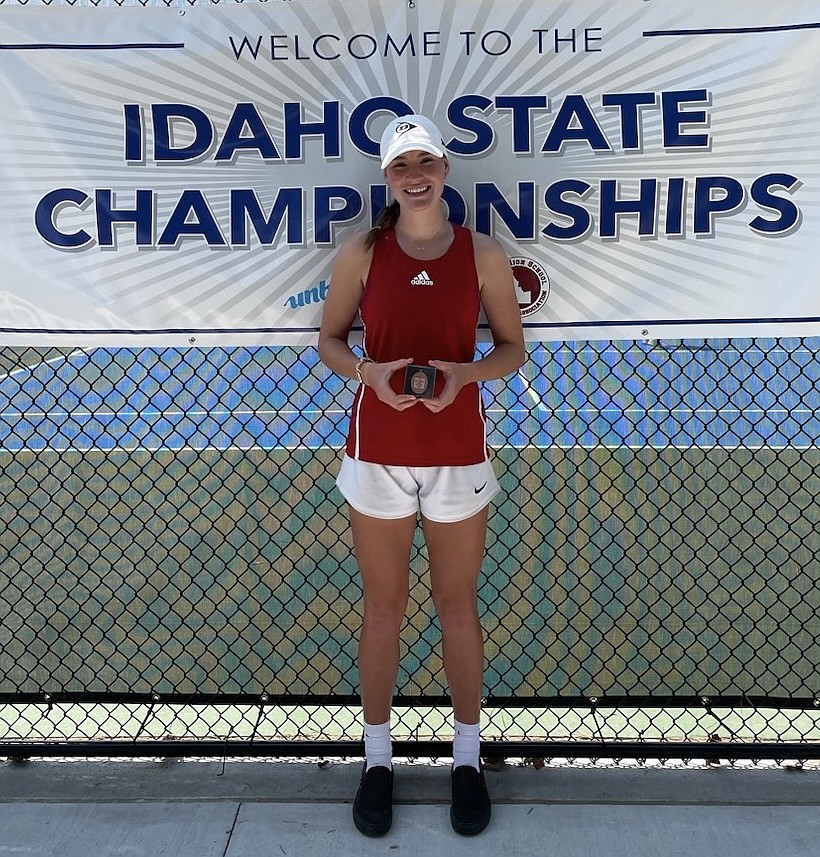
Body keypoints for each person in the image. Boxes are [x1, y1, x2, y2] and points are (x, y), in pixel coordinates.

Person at [318, 114, 525, 837]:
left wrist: (464, 373)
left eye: (426, 161)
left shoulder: (484, 254)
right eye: (401, 164)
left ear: (443, 169)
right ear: (387, 177)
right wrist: (368, 371)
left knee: (457, 605)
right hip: (376, 453)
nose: (415, 174)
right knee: (383, 608)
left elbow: (511, 349)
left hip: (458, 452)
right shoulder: (362, 254)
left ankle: (465, 761)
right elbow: (330, 340)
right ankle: (378, 761)